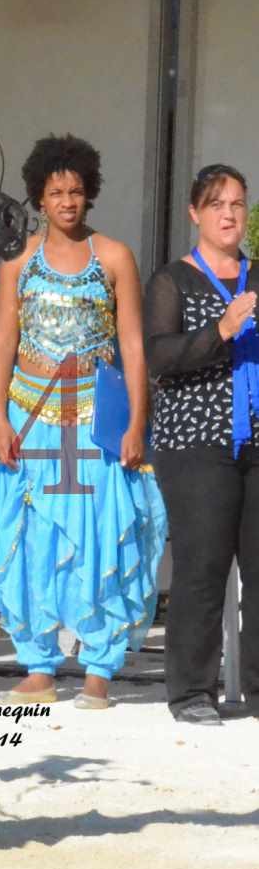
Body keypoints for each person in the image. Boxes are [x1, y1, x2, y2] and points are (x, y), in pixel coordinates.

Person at [0, 135, 166, 709]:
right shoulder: (18, 261)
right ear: (38, 196)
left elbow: (133, 345)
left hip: (94, 423)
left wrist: (137, 421)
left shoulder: (114, 258)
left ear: (90, 195)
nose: (67, 200)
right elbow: (2, 342)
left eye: (77, 191)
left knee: (99, 536)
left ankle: (99, 666)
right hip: (29, 417)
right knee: (31, 538)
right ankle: (38, 663)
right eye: (56, 191)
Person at [144, 164, 259, 725]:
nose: (229, 214)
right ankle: (192, 691)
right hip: (195, 442)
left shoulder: (258, 275)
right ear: (195, 213)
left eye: (238, 203)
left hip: (256, 439)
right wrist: (220, 331)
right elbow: (159, 358)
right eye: (217, 204)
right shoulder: (174, 280)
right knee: (203, 565)